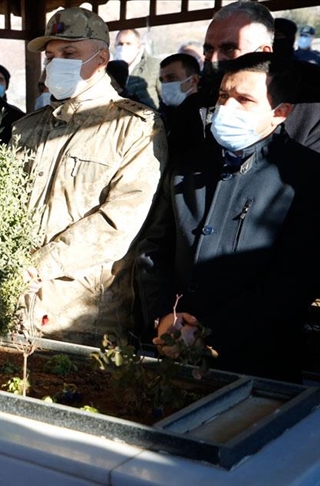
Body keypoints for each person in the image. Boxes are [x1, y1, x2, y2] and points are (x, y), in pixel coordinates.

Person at [134, 53, 320, 382]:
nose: (226, 108)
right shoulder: (187, 166)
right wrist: (165, 315)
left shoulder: (304, 176)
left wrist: (208, 332)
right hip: (171, 350)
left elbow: (294, 278)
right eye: (223, 95)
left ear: (280, 113)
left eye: (244, 99)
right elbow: (153, 247)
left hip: (256, 365)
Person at [12, 8, 166, 345]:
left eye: (69, 53)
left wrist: (40, 265)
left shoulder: (133, 127)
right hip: (15, 304)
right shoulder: (27, 128)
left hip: (84, 315)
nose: (55, 64)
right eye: (50, 56)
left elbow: (121, 220)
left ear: (102, 59)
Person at [201, 1, 320, 153]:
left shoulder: (310, 106)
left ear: (264, 51)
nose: (214, 59)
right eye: (209, 49)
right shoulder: (195, 106)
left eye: (228, 48)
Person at [158, 53, 204, 161]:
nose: (165, 84)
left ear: (193, 80)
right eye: (162, 80)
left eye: (171, 78)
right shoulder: (165, 111)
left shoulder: (201, 114)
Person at [113, 28, 159, 109]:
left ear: (139, 46)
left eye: (128, 43)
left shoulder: (154, 66)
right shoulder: (110, 70)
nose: (123, 47)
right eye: (120, 44)